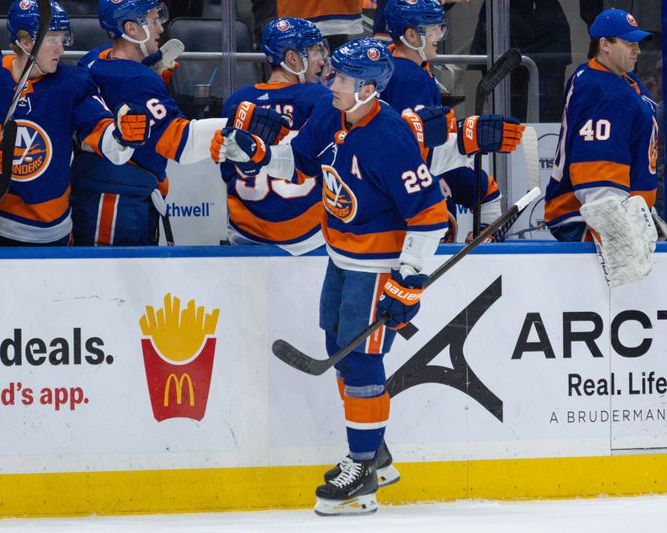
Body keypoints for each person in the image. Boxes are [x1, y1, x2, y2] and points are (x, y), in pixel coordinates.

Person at [214, 37, 520, 516]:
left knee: (359, 363)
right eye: (333, 74)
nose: (331, 83)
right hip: (340, 256)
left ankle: (362, 467)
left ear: (369, 89)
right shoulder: (332, 115)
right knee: (337, 341)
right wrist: (256, 152)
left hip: (377, 265)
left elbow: (428, 217)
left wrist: (409, 278)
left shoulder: (390, 137)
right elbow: (297, 158)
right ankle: (373, 448)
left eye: (342, 79)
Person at [73, 0, 283, 246]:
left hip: (99, 191)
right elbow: (180, 142)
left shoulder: (94, 58)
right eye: (152, 21)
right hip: (116, 201)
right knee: (109, 279)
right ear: (131, 29)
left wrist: (148, 77)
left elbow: (115, 94)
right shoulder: (138, 80)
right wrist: (239, 123)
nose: (161, 28)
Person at [0, 0, 150, 246]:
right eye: (53, 39)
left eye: (63, 38)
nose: (61, 49)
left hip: (51, 231)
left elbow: (100, 130)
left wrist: (123, 136)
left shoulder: (73, 83)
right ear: (26, 42)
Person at [382, 0, 519, 241]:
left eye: (439, 27)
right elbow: (418, 148)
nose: (439, 34)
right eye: (431, 28)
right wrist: (468, 136)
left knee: (485, 190)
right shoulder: (411, 78)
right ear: (411, 35)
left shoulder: (398, 66)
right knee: (485, 192)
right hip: (414, 204)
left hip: (398, 194)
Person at [544, 9, 659, 287]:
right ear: (604, 45)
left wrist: (648, 215)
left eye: (638, 43)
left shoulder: (620, 80)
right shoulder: (603, 89)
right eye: (628, 44)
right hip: (588, 224)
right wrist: (618, 233)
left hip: (621, 216)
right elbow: (598, 182)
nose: (637, 51)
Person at [217, 17, 331, 254]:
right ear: (292, 58)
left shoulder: (237, 101)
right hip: (311, 238)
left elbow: (228, 171)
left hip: (246, 234)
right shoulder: (323, 99)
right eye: (314, 51)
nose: (321, 60)